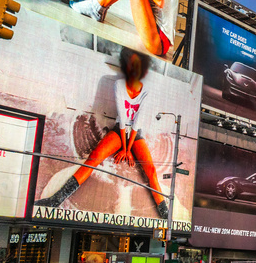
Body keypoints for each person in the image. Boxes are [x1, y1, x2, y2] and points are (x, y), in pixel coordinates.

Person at [35, 48, 169, 219]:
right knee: (94, 158)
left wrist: (128, 150)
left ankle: (165, 214)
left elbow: (138, 121)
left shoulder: (146, 91)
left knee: (150, 169)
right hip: (120, 129)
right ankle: (54, 200)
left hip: (135, 133)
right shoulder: (119, 85)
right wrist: (123, 144)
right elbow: (122, 115)